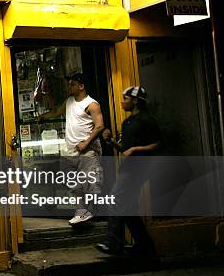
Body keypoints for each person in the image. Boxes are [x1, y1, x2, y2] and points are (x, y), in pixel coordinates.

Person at [96, 86, 160, 257]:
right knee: (129, 210)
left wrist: (136, 149)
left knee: (115, 201)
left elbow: (157, 144)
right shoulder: (127, 123)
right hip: (128, 168)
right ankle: (146, 247)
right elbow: (125, 150)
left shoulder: (147, 120)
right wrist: (110, 141)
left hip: (139, 169)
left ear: (136, 100)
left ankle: (113, 242)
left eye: (125, 98)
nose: (122, 102)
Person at [38, 72, 104, 226]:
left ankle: (94, 214)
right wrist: (43, 117)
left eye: (72, 84)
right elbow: (56, 112)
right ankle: (81, 213)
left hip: (87, 152)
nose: (69, 87)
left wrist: (86, 143)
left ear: (81, 86)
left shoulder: (92, 104)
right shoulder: (69, 101)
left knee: (91, 184)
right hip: (71, 152)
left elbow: (100, 125)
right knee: (76, 185)